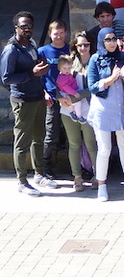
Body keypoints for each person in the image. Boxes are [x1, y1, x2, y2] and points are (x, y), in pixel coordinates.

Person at [2, 12, 54, 196]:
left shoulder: (31, 44)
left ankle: (39, 174)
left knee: (39, 138)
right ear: (16, 27)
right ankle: (22, 181)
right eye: (23, 26)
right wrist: (31, 74)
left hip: (38, 96)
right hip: (23, 100)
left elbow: (35, 68)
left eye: (30, 26)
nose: (27, 29)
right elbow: (6, 78)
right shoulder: (11, 50)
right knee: (22, 142)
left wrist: (40, 71)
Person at [87, 28, 124, 201]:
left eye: (114, 39)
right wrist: (112, 78)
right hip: (103, 109)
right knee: (104, 149)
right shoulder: (95, 59)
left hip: (121, 107)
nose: (112, 42)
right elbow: (92, 86)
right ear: (101, 41)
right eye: (108, 39)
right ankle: (102, 186)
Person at [60, 37, 97, 193]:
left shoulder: (96, 60)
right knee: (74, 144)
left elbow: (96, 87)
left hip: (88, 109)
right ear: (75, 46)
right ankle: (77, 177)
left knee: (91, 144)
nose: (83, 47)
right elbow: (57, 82)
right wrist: (59, 97)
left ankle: (97, 176)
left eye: (86, 44)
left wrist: (76, 96)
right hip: (68, 110)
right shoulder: (68, 61)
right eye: (80, 44)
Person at [37, 19, 71, 187]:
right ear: (50, 34)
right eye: (55, 33)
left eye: (61, 33)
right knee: (52, 134)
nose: (58, 36)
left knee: (72, 134)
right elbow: (38, 75)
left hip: (69, 97)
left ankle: (77, 167)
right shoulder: (42, 51)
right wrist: (43, 92)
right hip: (52, 97)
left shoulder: (70, 49)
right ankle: (46, 167)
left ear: (66, 33)